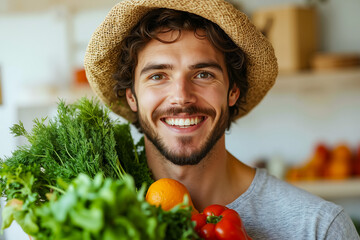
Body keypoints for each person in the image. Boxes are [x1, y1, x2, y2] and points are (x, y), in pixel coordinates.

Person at [84, 0, 360, 239]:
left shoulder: (317, 228)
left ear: (233, 92)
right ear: (132, 97)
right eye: (158, 76)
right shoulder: (90, 218)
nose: (181, 97)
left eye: (203, 74)